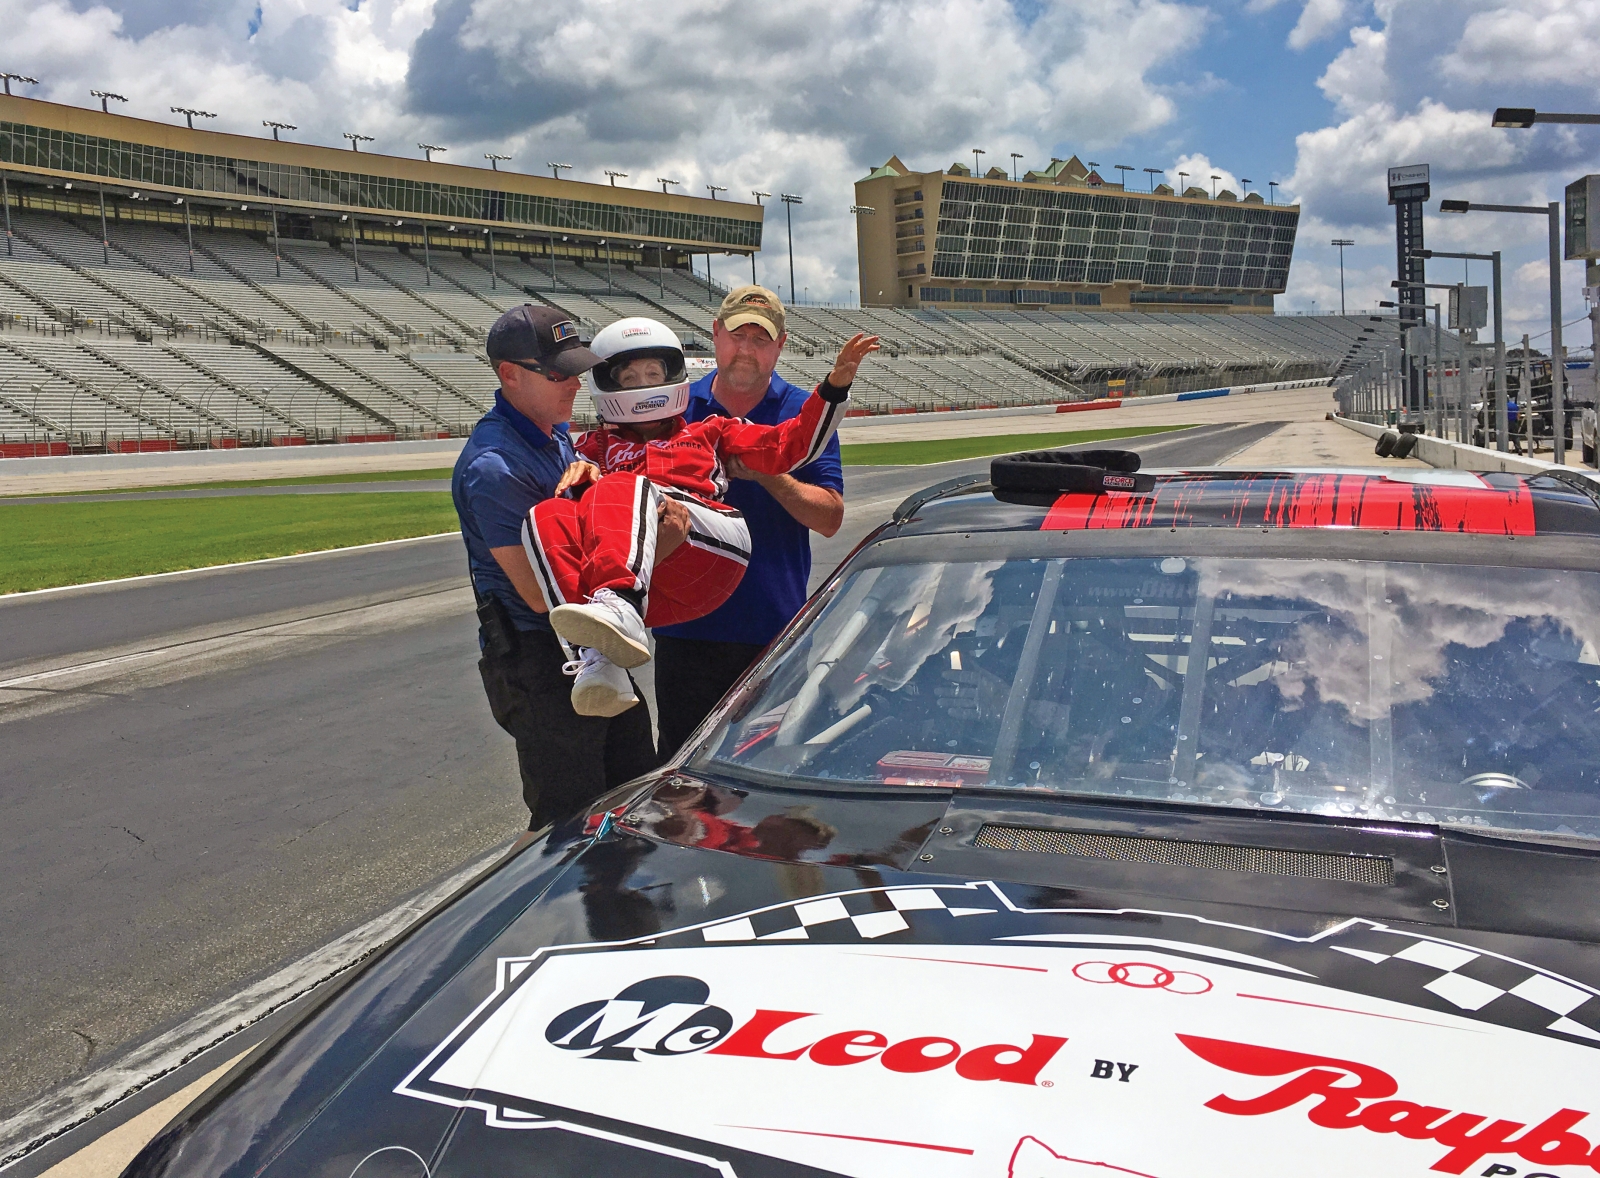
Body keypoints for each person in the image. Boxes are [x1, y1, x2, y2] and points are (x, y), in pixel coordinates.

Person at [524, 317, 877, 718]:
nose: (643, 385)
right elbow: (578, 530)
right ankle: (597, 658)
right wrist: (579, 483)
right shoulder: (591, 447)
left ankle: (619, 605)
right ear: (608, 384)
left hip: (713, 543)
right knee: (545, 514)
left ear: (673, 375)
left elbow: (788, 444)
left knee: (624, 486)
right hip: (664, 587)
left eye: (653, 373)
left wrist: (834, 388)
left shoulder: (708, 429)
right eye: (630, 377)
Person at [450, 304, 688, 832]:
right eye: (559, 374)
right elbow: (540, 593)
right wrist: (655, 548)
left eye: (579, 370)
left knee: (632, 792)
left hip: (588, 642)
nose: (577, 385)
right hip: (541, 657)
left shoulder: (553, 434)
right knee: (569, 822)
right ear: (509, 374)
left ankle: (624, 909)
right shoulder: (496, 468)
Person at [652, 285, 848, 758]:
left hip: (772, 638)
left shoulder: (806, 414)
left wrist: (773, 477)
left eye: (761, 340)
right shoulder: (671, 409)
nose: (746, 349)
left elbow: (830, 517)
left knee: (767, 775)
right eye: (737, 335)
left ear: (780, 346)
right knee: (681, 779)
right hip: (685, 634)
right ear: (716, 335)